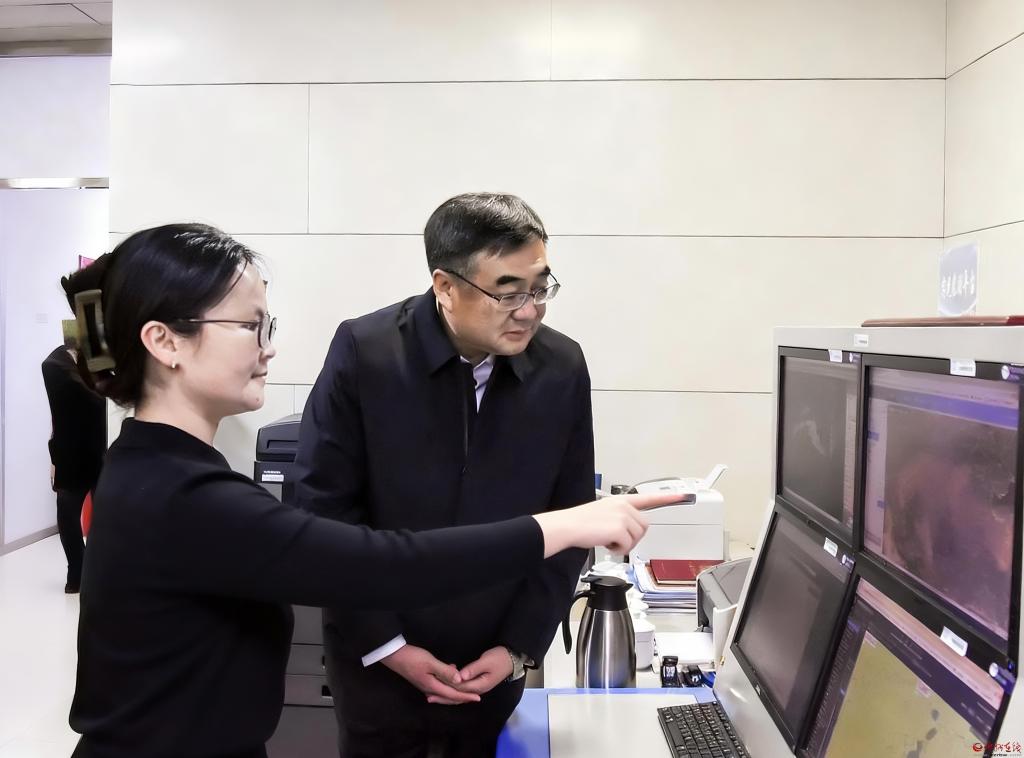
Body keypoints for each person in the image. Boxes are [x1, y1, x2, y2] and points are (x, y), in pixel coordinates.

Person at [62, 223, 675, 758]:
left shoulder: (157, 469)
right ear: (164, 341)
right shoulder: (183, 496)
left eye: (267, 324)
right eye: (249, 326)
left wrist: (519, 640)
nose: (269, 347)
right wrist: (569, 523)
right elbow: (380, 564)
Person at [293, 193, 596, 757]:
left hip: (493, 664)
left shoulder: (562, 367)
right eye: (508, 292)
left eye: (539, 288)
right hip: (378, 659)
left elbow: (572, 518)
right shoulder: (368, 352)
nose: (529, 310)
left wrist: (517, 648)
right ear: (446, 286)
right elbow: (322, 510)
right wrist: (388, 645)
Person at [41, 317, 106, 593]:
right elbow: (67, 411)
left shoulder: (96, 362)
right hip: (71, 454)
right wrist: (54, 460)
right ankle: (77, 571)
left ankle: (98, 569)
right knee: (68, 515)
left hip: (99, 451)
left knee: (105, 515)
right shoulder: (54, 365)